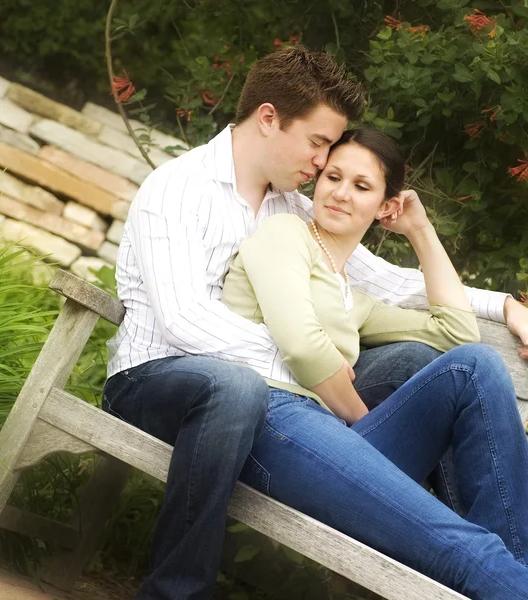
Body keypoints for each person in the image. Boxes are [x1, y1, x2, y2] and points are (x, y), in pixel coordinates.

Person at [102, 45, 528, 600]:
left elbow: (390, 284)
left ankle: (515, 566)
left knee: (452, 365)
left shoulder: (293, 207)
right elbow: (185, 321)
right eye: (320, 144)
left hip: (286, 404)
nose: (323, 164)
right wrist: (316, 368)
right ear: (269, 118)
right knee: (236, 388)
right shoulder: (178, 189)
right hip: (160, 378)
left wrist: (505, 306)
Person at [221, 128, 528, 599]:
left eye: (362, 187)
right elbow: (303, 347)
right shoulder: (284, 234)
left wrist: (421, 231)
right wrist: (355, 415)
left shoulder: (353, 301)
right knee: (467, 550)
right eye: (333, 177)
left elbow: (456, 332)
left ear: (386, 207)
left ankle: (517, 570)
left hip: (326, 443)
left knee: (476, 366)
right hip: (268, 429)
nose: (340, 193)